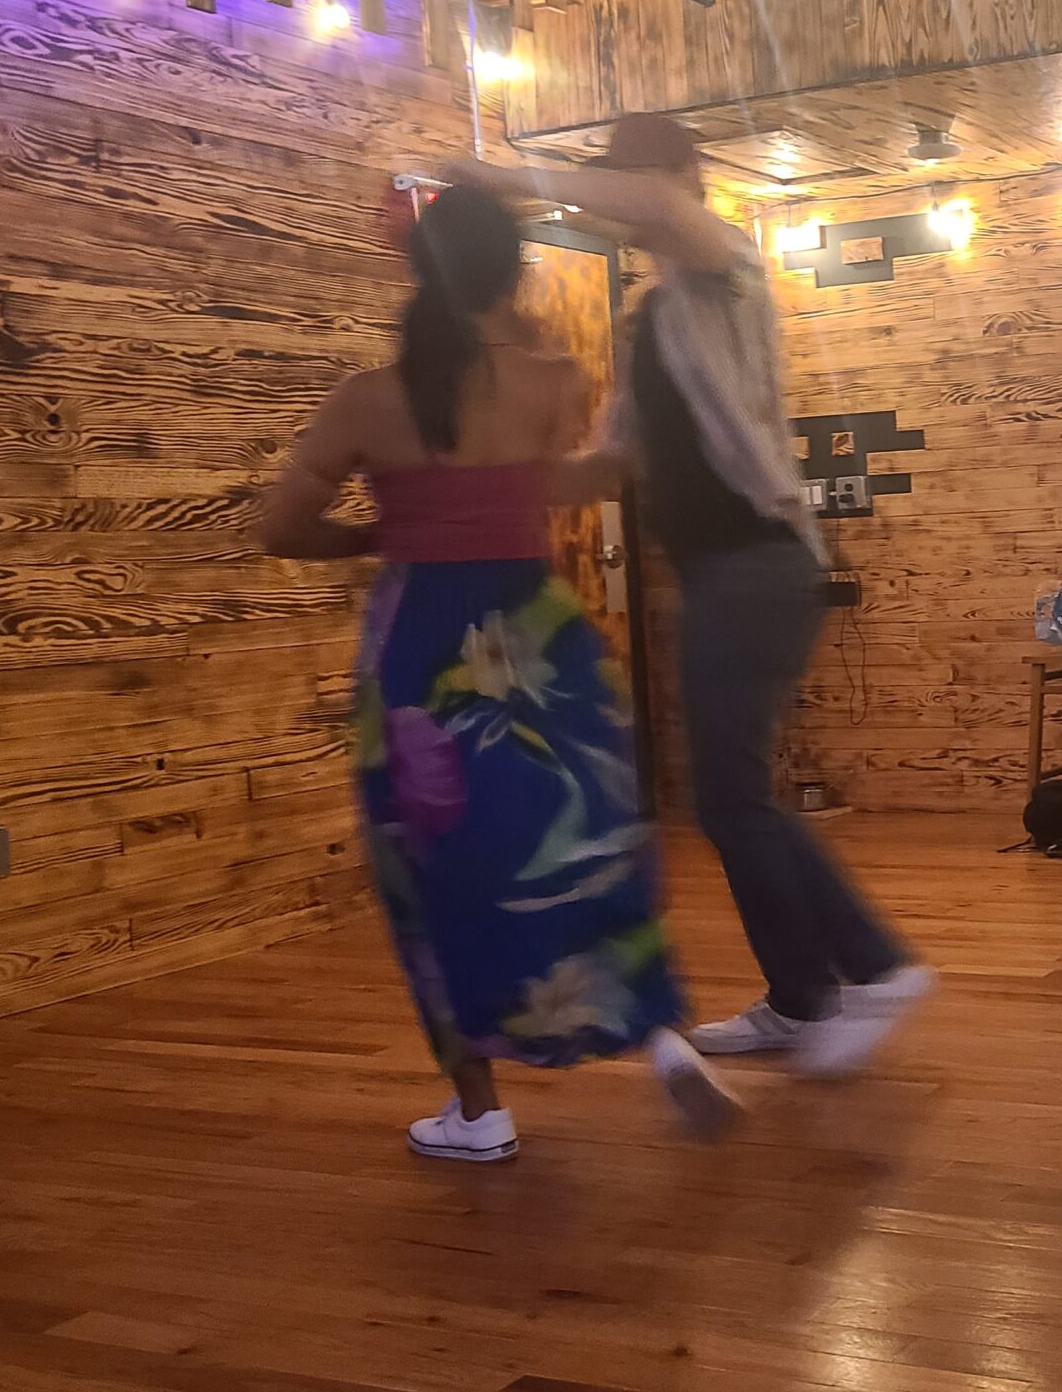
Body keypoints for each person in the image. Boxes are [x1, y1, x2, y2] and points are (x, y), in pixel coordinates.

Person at [447, 117, 931, 1080]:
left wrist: (496, 174)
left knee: (734, 797)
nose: (622, 208)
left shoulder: (727, 267)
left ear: (680, 177)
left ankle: (874, 966)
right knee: (727, 798)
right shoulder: (652, 322)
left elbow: (658, 205)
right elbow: (621, 458)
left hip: (760, 560)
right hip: (717, 573)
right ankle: (801, 999)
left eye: (630, 184)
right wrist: (490, 486)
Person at [259, 183, 735, 1161]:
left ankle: (477, 1111)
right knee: (585, 837)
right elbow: (554, 480)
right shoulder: (556, 382)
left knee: (435, 870)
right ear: (512, 269)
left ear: (413, 268)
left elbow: (276, 527)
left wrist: (375, 535)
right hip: (537, 633)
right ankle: (656, 1031)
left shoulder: (368, 400)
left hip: (422, 646)